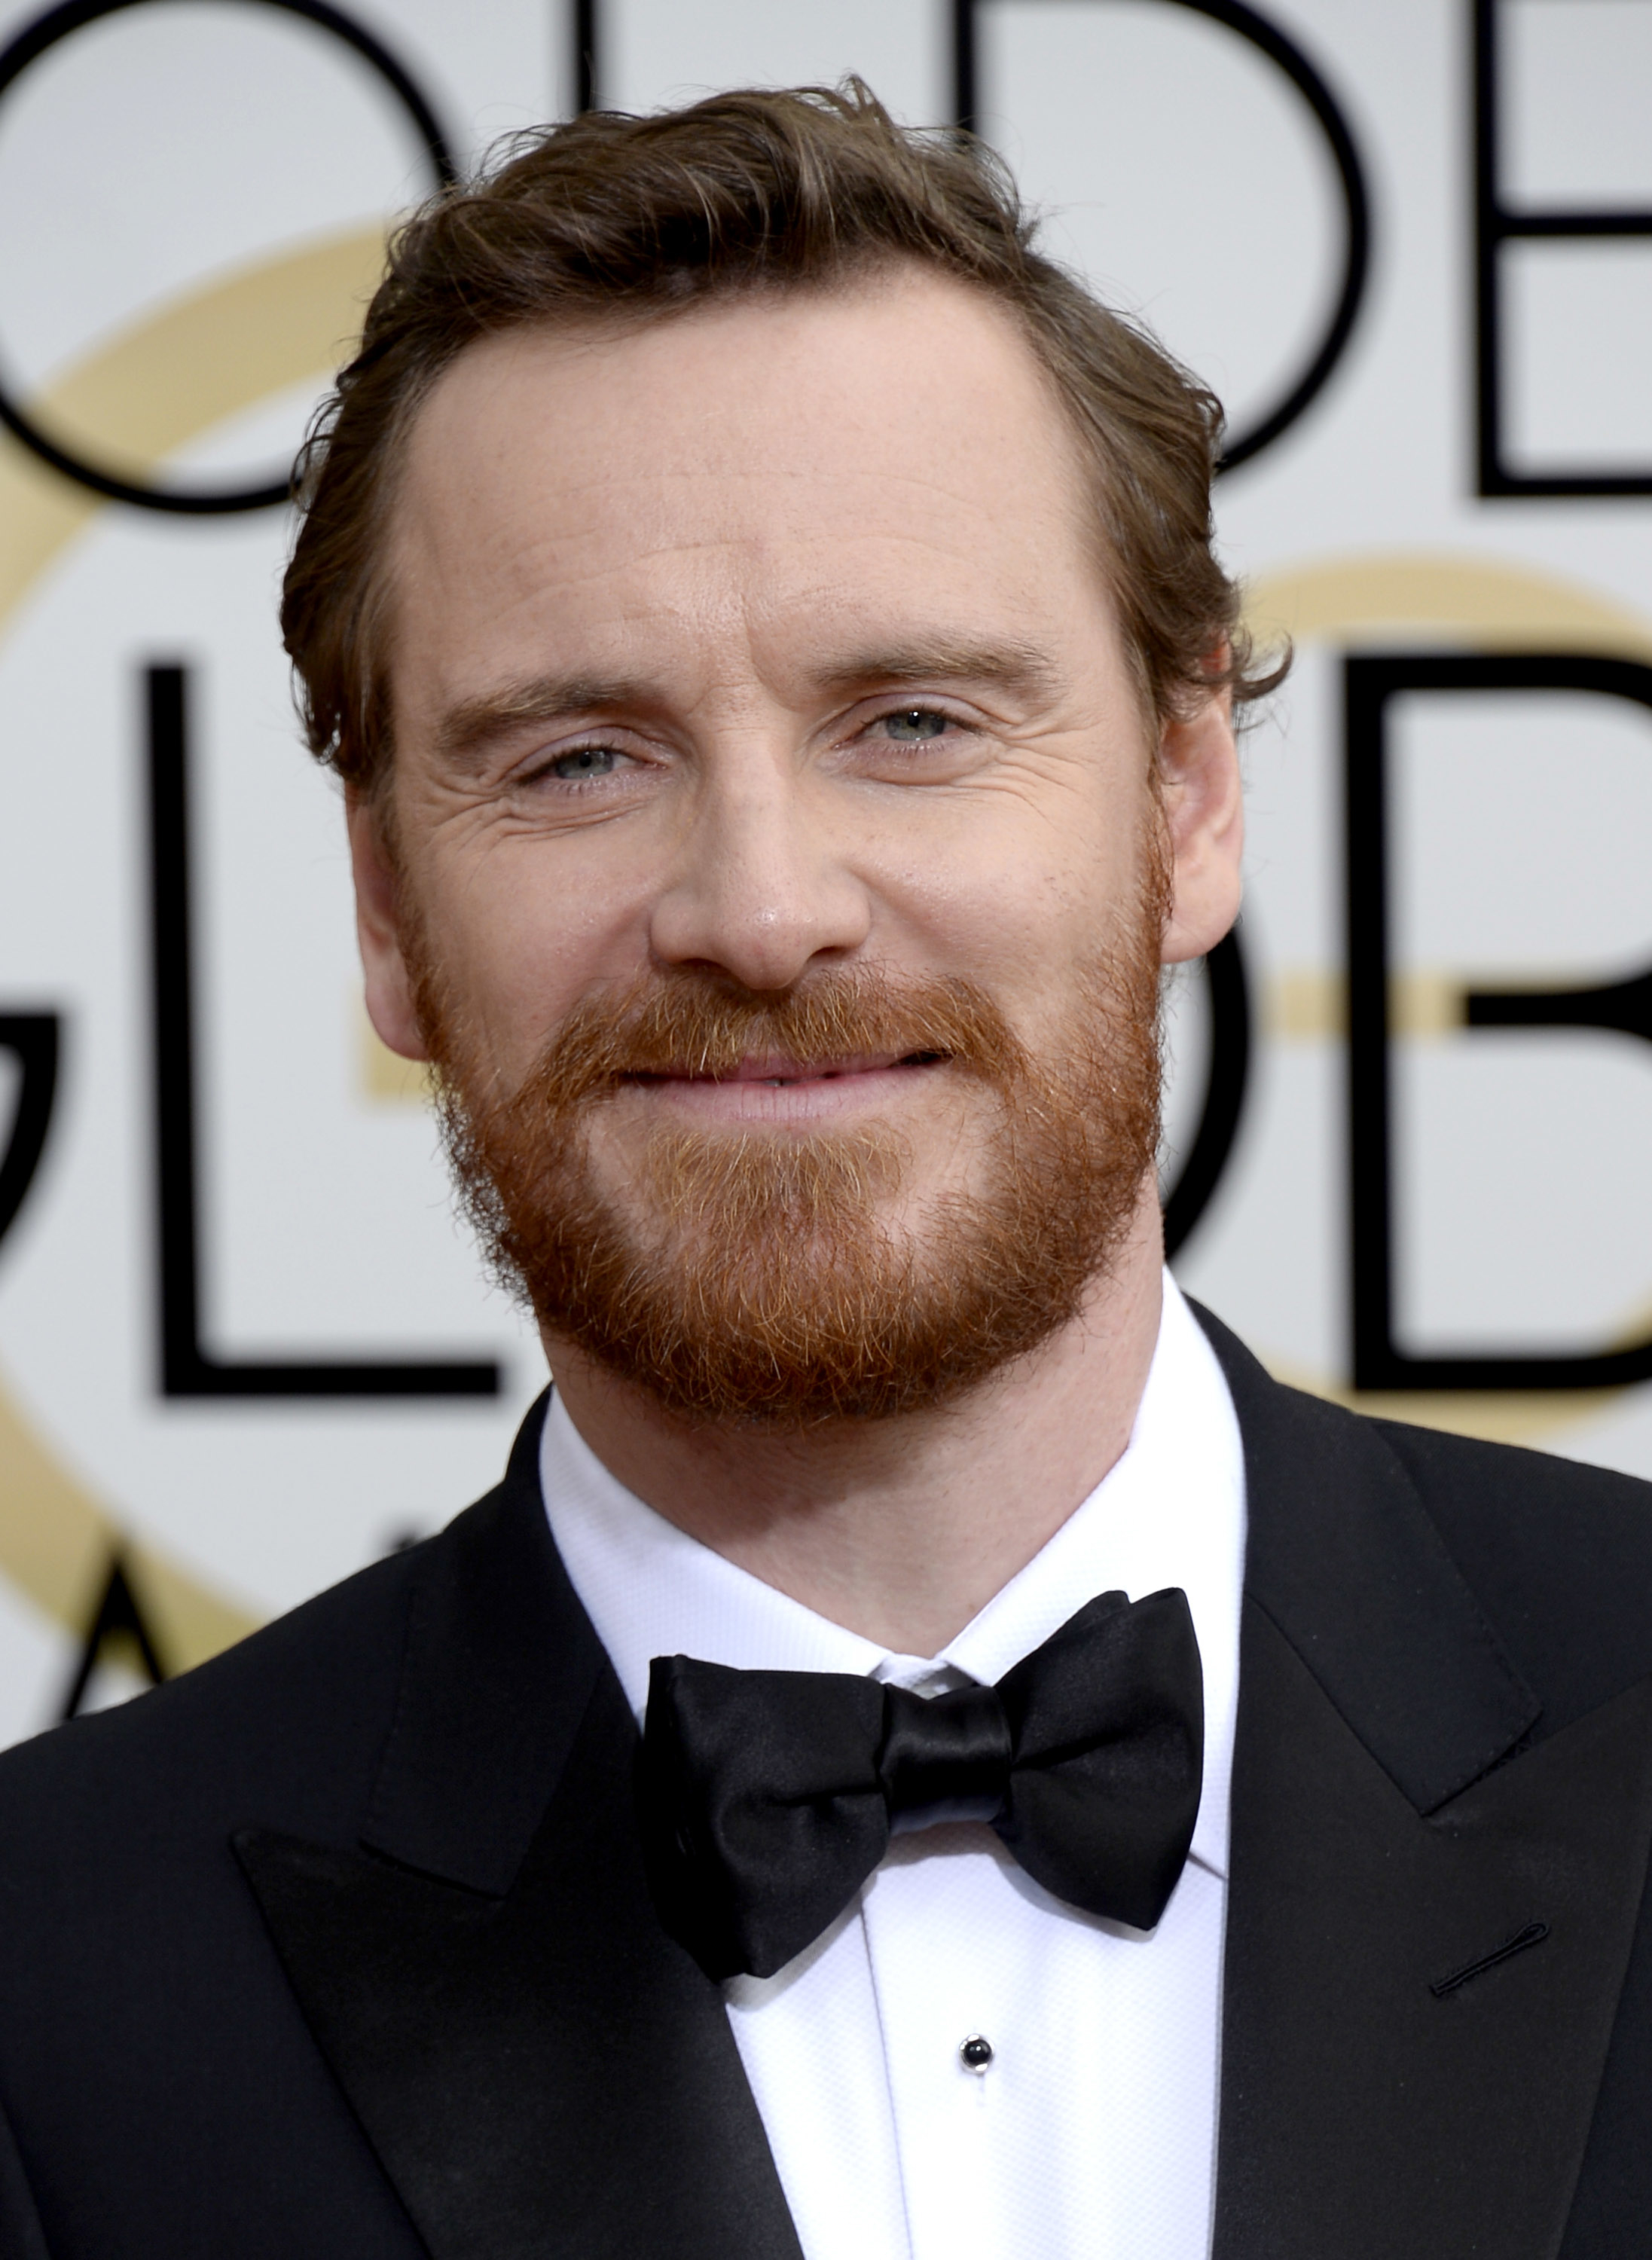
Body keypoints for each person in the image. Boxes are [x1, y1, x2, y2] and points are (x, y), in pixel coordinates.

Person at [2, 82, 1650, 2260]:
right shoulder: (48, 1988)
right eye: (579, 757)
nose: (761, 911)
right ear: (389, 911)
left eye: (914, 721)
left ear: (1182, 802)